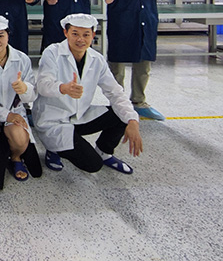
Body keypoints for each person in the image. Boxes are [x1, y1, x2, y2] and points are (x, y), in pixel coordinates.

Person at [33, 13, 143, 174]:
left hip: (79, 116)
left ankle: (104, 152)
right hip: (53, 120)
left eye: (86, 35)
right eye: (75, 34)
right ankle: (53, 149)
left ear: (93, 35)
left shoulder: (96, 59)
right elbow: (42, 85)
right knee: (92, 165)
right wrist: (63, 88)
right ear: (65, 33)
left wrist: (132, 120)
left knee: (121, 115)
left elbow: (115, 92)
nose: (80, 39)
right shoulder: (52, 52)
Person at [99, 0, 183, 121]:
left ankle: (139, 101)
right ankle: (117, 104)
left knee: (144, 62)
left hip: (146, 18)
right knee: (117, 64)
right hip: (121, 20)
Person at [0, 15, 42, 184]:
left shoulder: (22, 59)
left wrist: (24, 89)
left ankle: (15, 157)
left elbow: (32, 95)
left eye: (1, 35)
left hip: (15, 112)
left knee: (35, 166)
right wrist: (7, 115)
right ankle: (3, 147)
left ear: (8, 35)